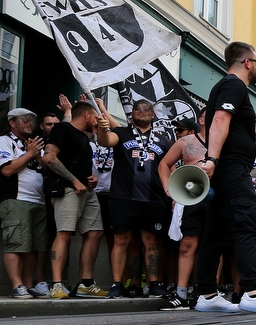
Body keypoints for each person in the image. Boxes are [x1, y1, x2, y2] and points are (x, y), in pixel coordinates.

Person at [194, 41, 256, 314]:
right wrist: (212, 159)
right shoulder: (234, 85)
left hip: (226, 168)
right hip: (231, 168)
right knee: (247, 225)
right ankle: (253, 292)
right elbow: (220, 120)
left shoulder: (226, 87)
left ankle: (208, 296)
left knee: (216, 232)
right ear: (248, 63)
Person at [96, 99, 173, 298]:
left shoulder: (164, 139)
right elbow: (105, 141)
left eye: (147, 109)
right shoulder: (122, 133)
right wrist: (102, 129)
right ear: (132, 115)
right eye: (138, 109)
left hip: (154, 198)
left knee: (152, 240)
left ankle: (154, 283)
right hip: (124, 197)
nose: (143, 111)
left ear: (153, 115)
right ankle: (117, 283)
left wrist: (173, 195)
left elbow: (171, 168)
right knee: (121, 239)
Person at [42, 100, 107, 298]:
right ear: (86, 115)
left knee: (95, 233)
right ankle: (57, 284)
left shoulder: (84, 138)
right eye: (95, 117)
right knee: (64, 233)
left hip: (87, 191)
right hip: (68, 190)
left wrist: (92, 179)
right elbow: (49, 158)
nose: (97, 121)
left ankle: (85, 283)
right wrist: (74, 180)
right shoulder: (63, 129)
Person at [157, 114, 209, 309]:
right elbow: (164, 164)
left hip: (216, 197)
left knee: (212, 245)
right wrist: (168, 188)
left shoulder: (225, 140)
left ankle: (208, 291)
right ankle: (181, 293)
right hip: (192, 196)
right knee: (188, 243)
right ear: (202, 120)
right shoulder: (186, 141)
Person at [1, 108, 47, 298]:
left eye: (32, 121)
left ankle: (28, 285)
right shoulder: (5, 141)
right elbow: (7, 170)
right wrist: (30, 154)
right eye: (26, 120)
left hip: (39, 200)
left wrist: (37, 155)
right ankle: (16, 285)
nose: (30, 124)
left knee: (33, 247)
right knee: (16, 244)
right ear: (12, 122)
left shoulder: (35, 144)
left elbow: (47, 170)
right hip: (17, 199)